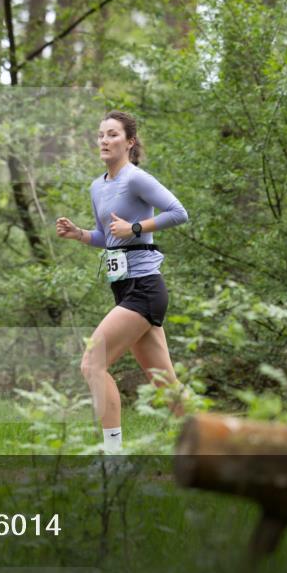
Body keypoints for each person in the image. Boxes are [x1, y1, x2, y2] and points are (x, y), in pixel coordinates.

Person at [55, 110, 189, 453]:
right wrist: (80, 234)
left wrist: (136, 228)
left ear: (129, 142)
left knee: (92, 363)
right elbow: (107, 236)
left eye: (112, 134)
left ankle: (113, 457)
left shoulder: (136, 179)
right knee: (166, 383)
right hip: (124, 288)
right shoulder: (97, 186)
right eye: (101, 135)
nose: (104, 140)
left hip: (145, 286)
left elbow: (178, 213)